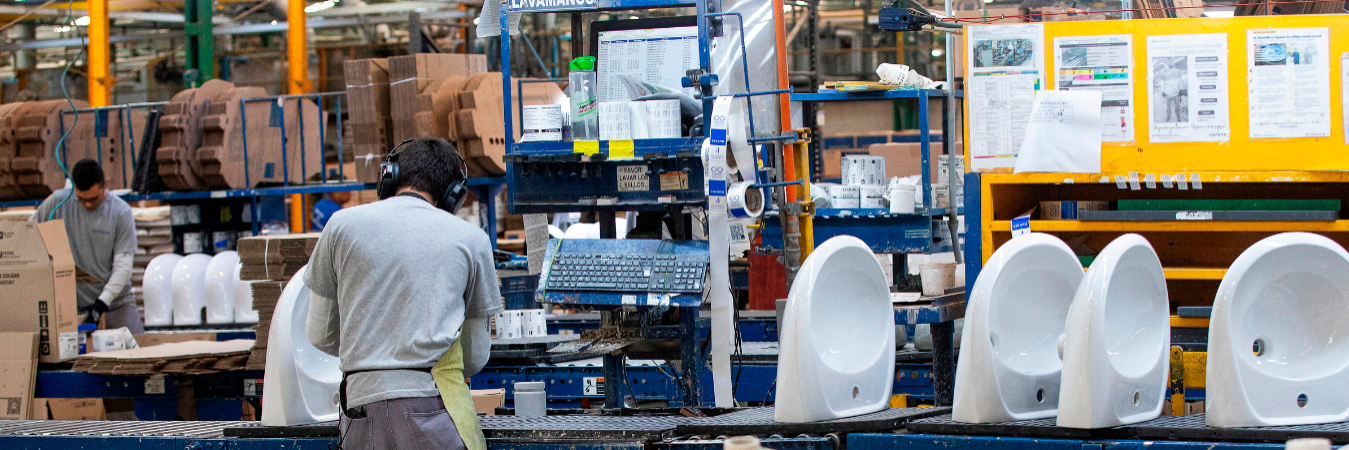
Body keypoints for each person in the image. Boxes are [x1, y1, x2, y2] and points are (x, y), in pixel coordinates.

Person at [305, 137, 502, 450]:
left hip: (358, 411)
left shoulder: (340, 226)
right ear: (454, 196)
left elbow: (320, 335)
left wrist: (373, 353)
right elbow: (476, 356)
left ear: (390, 177)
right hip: (431, 411)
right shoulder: (471, 239)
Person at [30, 159, 141, 333]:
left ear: (105, 184)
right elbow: (29, 233)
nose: (88, 204)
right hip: (75, 308)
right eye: (82, 199)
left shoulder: (121, 213)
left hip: (115, 305)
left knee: (137, 355)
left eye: (94, 199)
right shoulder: (57, 203)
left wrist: (101, 303)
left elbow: (123, 267)